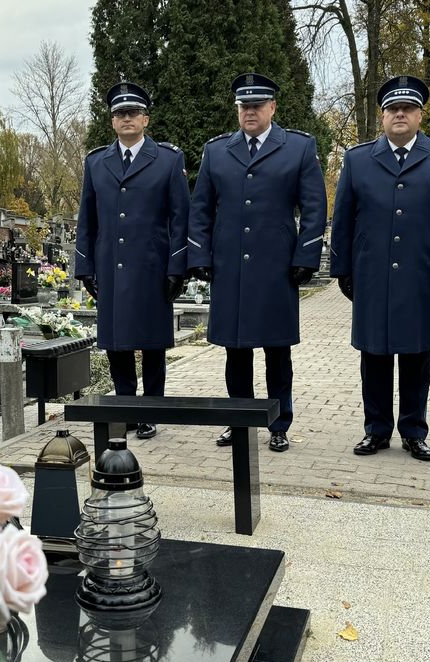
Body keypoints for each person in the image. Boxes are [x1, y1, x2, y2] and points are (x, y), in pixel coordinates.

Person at [329, 74, 430, 462]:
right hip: (371, 274)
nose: (399, 114)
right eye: (392, 108)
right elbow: (342, 217)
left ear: (419, 115)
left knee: (416, 356)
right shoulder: (358, 159)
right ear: (382, 116)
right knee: (373, 355)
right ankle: (376, 430)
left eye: (407, 108)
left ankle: (413, 431)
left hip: (420, 274)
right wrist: (341, 268)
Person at [187, 72, 327, 452]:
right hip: (230, 267)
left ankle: (279, 422)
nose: (249, 112)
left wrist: (306, 256)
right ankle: (240, 419)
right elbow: (200, 209)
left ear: (272, 108)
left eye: (256, 105)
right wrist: (199, 255)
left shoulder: (297, 147)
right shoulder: (217, 151)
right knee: (236, 351)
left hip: (277, 268)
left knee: (277, 351)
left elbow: (314, 206)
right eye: (243, 106)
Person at [75, 82, 190, 439]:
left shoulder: (169, 160)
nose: (126, 119)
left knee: (153, 342)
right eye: (119, 114)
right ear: (112, 122)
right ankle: (126, 404)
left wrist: (177, 267)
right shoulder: (96, 162)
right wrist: (85, 267)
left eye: (133, 113)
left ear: (145, 119)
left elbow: (180, 218)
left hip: (153, 266)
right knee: (116, 341)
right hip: (111, 265)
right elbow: (87, 219)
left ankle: (152, 409)